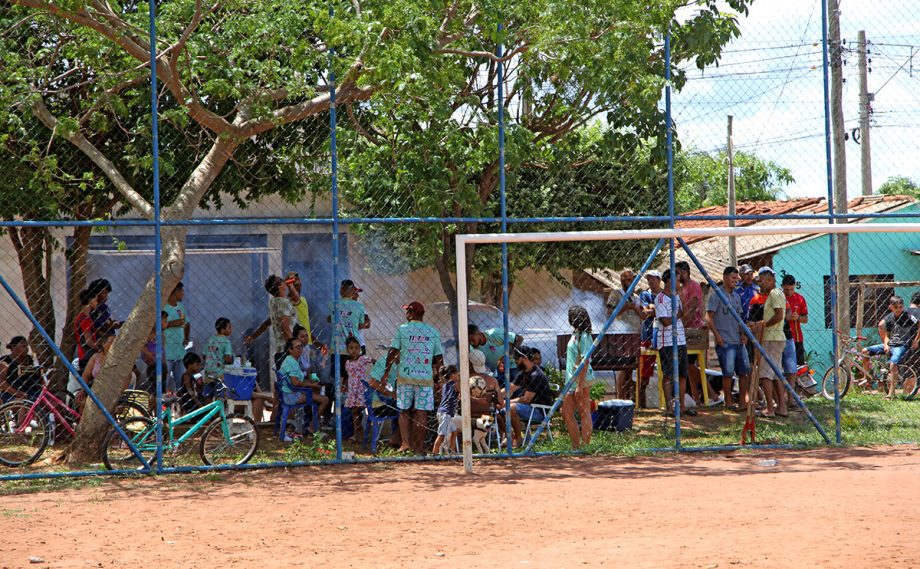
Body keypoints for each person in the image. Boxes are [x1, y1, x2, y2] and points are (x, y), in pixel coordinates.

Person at [383, 301, 443, 454]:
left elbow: (393, 351)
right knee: (421, 412)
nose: (406, 315)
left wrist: (386, 372)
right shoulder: (432, 331)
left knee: (404, 411)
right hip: (425, 378)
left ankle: (405, 443)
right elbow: (439, 358)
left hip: (405, 376)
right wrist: (440, 378)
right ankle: (419, 446)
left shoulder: (403, 329)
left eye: (407, 312)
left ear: (410, 313)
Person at [705, 266, 751, 411]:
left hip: (738, 340)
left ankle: (743, 402)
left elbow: (739, 319)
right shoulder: (717, 295)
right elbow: (709, 318)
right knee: (728, 373)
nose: (735, 281)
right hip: (725, 341)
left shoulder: (737, 297)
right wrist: (717, 336)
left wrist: (743, 334)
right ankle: (729, 401)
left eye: (737, 279)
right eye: (732, 278)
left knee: (743, 372)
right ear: (725, 278)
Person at [862, 296, 920, 399]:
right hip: (891, 344)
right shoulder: (890, 318)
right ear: (891, 307)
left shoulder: (908, 316)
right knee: (865, 351)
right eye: (896, 307)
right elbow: (884, 331)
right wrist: (885, 344)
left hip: (902, 345)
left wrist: (916, 339)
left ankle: (891, 393)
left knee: (893, 363)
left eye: (900, 307)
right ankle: (866, 378)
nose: (898, 309)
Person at [656, 270, 695, 416]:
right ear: (669, 282)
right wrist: (678, 315)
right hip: (667, 342)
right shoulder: (660, 298)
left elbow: (684, 314)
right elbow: (665, 322)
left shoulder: (677, 297)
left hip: (680, 339)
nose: (680, 283)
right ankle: (669, 408)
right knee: (668, 374)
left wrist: (681, 297)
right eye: (678, 280)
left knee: (682, 374)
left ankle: (682, 406)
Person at [751, 267, 788, 417]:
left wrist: (763, 325)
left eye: (763, 280)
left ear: (771, 280)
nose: (760, 284)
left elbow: (779, 315)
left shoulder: (774, 293)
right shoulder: (776, 294)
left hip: (772, 338)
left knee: (765, 373)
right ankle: (781, 407)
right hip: (775, 338)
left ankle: (770, 408)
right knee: (776, 373)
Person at [561, 305, 595, 449]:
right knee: (566, 413)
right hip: (571, 380)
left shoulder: (585, 336)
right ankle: (576, 446)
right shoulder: (575, 334)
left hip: (581, 379)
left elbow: (585, 361)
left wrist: (580, 385)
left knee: (584, 412)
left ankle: (585, 446)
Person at [605, 269, 643, 400]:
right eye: (629, 279)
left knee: (630, 369)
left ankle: (627, 399)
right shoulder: (616, 294)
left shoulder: (637, 297)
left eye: (634, 279)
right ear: (623, 281)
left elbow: (642, 314)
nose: (632, 282)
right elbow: (610, 313)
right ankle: (620, 398)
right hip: (621, 335)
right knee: (623, 367)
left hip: (634, 335)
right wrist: (628, 306)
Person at [509, 347, 555, 448]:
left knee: (510, 408)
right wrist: (496, 393)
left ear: (524, 358)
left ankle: (518, 438)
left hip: (539, 411)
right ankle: (515, 438)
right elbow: (510, 388)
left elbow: (526, 399)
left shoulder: (536, 375)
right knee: (500, 410)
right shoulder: (524, 373)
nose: (516, 362)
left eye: (517, 359)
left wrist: (507, 402)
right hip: (530, 408)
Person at [328, 279, 371, 384]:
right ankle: (352, 398)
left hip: (337, 348)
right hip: (353, 349)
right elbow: (363, 323)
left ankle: (339, 398)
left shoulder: (333, 304)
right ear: (352, 291)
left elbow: (330, 319)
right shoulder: (359, 307)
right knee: (354, 379)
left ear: (341, 290)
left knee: (339, 379)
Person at [676, 261, 706, 404]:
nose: (677, 275)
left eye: (678, 272)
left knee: (689, 364)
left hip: (694, 329)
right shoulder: (681, 288)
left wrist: (682, 322)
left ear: (685, 272)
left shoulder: (694, 286)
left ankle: (711, 392)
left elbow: (693, 307)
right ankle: (696, 397)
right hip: (685, 328)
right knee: (687, 366)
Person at [277, 338, 317, 441]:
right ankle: (312, 429)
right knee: (324, 400)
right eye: (297, 347)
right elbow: (295, 382)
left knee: (315, 393)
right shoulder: (292, 362)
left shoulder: (293, 360)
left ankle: (303, 429)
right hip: (290, 395)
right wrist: (312, 385)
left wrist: (310, 382)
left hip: (289, 392)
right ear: (290, 350)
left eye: (301, 346)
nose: (300, 349)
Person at [638, 270, 663, 408]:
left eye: (652, 279)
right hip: (647, 336)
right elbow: (645, 313)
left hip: (663, 336)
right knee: (644, 373)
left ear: (659, 279)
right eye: (648, 279)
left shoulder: (664, 294)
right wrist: (658, 309)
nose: (650, 282)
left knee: (665, 371)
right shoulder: (645, 294)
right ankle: (642, 403)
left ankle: (664, 401)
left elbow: (653, 310)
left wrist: (654, 308)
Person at [163, 282, 191, 394]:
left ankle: (179, 407)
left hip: (180, 351)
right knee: (165, 382)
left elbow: (187, 323)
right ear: (175, 292)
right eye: (181, 291)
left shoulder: (180, 307)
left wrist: (187, 338)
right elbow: (156, 327)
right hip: (167, 352)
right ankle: (163, 407)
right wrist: (171, 323)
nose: (183, 294)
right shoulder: (164, 308)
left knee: (180, 382)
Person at [344, 336, 372, 442]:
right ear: (347, 350)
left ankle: (360, 432)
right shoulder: (347, 362)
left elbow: (373, 360)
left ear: (360, 349)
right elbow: (347, 376)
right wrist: (344, 386)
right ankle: (357, 432)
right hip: (352, 390)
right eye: (351, 348)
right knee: (354, 411)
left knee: (359, 410)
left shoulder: (362, 359)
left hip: (360, 389)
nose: (354, 350)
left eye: (356, 348)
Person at [0, 336, 42, 403]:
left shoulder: (30, 360)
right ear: (14, 347)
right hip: (11, 394)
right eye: (23, 346)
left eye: (27, 346)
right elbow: (1, 381)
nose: (27, 349)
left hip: (32, 393)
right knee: (24, 405)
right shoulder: (6, 361)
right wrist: (17, 393)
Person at [781, 273, 809, 367]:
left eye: (792, 289)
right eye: (786, 290)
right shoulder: (778, 298)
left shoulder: (800, 299)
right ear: (782, 286)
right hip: (780, 338)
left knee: (798, 367)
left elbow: (805, 319)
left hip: (797, 338)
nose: (789, 292)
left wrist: (798, 318)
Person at [203, 317, 234, 399]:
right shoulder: (226, 342)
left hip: (208, 373)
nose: (231, 329)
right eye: (229, 327)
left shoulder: (210, 340)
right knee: (220, 396)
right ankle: (219, 410)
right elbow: (228, 359)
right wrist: (231, 361)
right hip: (220, 374)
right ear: (222, 330)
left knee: (208, 397)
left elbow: (204, 355)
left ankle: (208, 410)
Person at [433, 365, 460, 455]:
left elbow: (452, 396)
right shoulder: (456, 384)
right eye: (457, 374)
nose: (458, 375)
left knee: (454, 431)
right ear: (452, 375)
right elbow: (459, 392)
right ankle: (434, 454)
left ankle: (452, 452)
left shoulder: (445, 385)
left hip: (442, 412)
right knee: (441, 435)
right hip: (446, 413)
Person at [140, 311, 168, 394]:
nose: (167, 323)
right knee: (156, 389)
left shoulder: (159, 333)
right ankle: (156, 404)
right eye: (165, 321)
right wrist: (148, 353)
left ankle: (160, 404)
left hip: (161, 364)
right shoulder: (150, 334)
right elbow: (141, 345)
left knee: (162, 388)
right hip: (153, 366)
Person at [74, 288, 99, 373]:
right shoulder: (84, 319)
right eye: (95, 300)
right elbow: (88, 340)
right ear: (90, 300)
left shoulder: (83, 317)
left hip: (84, 355)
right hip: (87, 356)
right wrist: (100, 349)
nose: (97, 302)